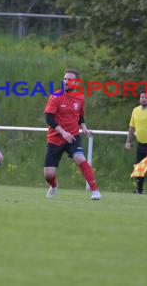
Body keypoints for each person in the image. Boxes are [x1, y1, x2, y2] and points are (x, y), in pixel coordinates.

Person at [43, 69, 101, 200]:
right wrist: (63, 133)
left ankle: (95, 191)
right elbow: (49, 119)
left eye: (69, 79)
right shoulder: (56, 96)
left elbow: (80, 117)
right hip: (55, 138)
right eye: (64, 79)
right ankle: (54, 185)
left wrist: (84, 128)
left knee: (80, 158)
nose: (66, 82)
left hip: (73, 137)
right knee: (48, 175)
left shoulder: (80, 97)